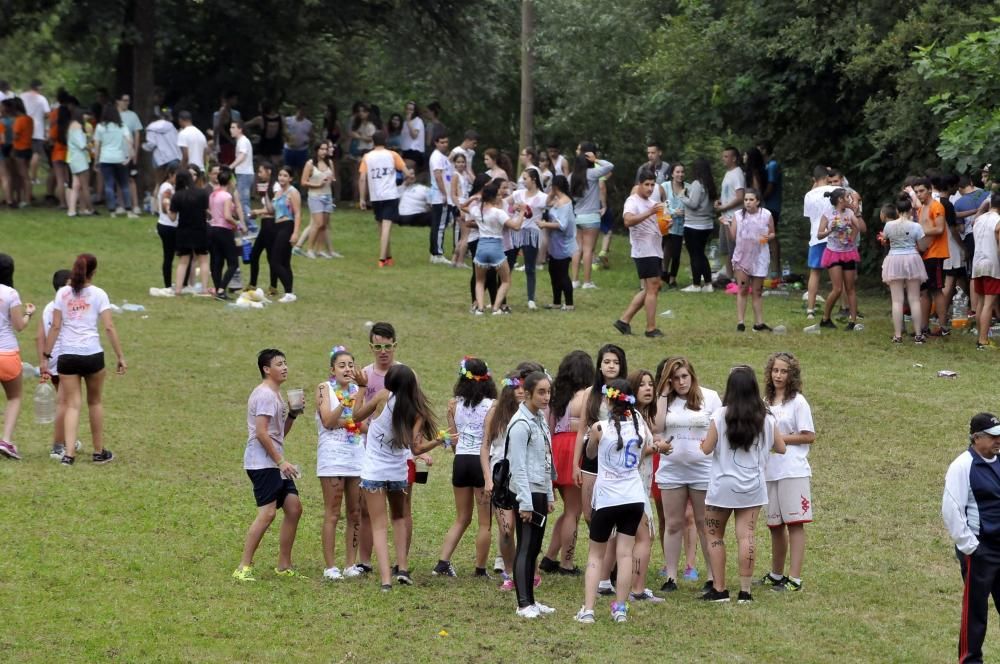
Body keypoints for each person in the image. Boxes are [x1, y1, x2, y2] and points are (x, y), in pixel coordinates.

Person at [573, 378, 669, 624]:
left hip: (607, 497)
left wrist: (592, 441)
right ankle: (621, 608)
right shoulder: (639, 425)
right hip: (633, 496)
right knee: (625, 553)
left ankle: (589, 609)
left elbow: (591, 455)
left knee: (596, 554)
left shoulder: (600, 428)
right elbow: (639, 458)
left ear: (608, 399)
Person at [351, 364, 443, 590]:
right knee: (400, 519)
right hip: (398, 471)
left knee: (379, 526)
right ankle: (402, 568)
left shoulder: (383, 397)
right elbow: (417, 448)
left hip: (374, 472)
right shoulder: (417, 411)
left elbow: (355, 417)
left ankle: (385, 580)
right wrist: (440, 441)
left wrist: (362, 388)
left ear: (389, 383)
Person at [700, 365, 785, 603]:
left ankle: (719, 588)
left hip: (722, 486)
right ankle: (745, 591)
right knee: (746, 536)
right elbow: (781, 447)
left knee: (714, 534)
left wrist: (702, 443)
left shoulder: (720, 415)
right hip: (753, 487)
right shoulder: (767, 418)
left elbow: (706, 449)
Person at [40, 254, 126, 466]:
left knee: (72, 405)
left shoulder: (62, 293)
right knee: (94, 402)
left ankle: (68, 454)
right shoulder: (99, 294)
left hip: (67, 356)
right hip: (92, 354)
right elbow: (108, 326)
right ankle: (99, 452)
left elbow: (55, 326)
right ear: (94, 272)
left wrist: (46, 355)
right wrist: (120, 356)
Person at [232, 348, 304, 582]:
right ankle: (243, 567)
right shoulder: (264, 395)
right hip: (262, 463)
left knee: (294, 508)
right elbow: (262, 434)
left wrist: (292, 415)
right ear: (266, 369)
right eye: (279, 364)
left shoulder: (276, 394)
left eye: (285, 363)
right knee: (267, 513)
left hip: (273, 462)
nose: (284, 367)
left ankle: (283, 565)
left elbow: (277, 434)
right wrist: (281, 461)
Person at [654, 356, 722, 593]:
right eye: (675, 378)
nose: (681, 382)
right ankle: (671, 576)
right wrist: (662, 393)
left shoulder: (710, 397)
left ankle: (713, 576)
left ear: (692, 375)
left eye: (684, 376)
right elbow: (656, 427)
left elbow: (719, 430)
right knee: (673, 523)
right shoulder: (665, 400)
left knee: (705, 524)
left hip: (703, 469)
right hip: (672, 470)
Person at [942, 412, 1000, 664]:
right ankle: (970, 660)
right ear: (976, 438)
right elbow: (951, 510)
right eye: (993, 436)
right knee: (975, 611)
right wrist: (971, 547)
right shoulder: (962, 466)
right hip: (980, 550)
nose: (998, 440)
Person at [434, 357, 497, 578]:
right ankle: (480, 569)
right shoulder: (493, 405)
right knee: (485, 522)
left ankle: (442, 563)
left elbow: (453, 438)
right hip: (482, 462)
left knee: (461, 517)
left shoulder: (453, 404)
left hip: (460, 461)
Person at [759, 352, 816, 592]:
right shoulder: (765, 402)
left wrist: (779, 438)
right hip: (770, 471)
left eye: (783, 371)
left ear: (791, 375)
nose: (778, 376)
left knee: (794, 523)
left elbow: (808, 435)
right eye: (775, 371)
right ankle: (776, 573)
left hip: (792, 470)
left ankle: (795, 578)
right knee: (775, 525)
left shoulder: (798, 402)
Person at [574, 344, 628, 596]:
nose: (611, 366)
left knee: (612, 514)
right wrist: (576, 463)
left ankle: (608, 571)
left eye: (615, 362)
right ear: (599, 365)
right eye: (606, 361)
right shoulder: (590, 393)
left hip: (615, 460)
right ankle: (601, 561)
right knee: (589, 514)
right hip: (591, 459)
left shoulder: (626, 392)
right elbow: (582, 430)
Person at [506, 371, 556, 619]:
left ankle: (532, 602)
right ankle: (523, 602)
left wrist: (548, 495)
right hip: (526, 492)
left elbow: (545, 460)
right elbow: (518, 467)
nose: (547, 397)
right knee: (525, 546)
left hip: (538, 490)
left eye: (548, 392)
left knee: (535, 546)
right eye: (541, 392)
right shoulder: (520, 424)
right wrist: (525, 502)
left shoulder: (539, 420)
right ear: (527, 393)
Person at [540, 350, 594, 575]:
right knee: (574, 511)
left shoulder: (557, 396)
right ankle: (567, 563)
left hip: (557, 447)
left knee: (569, 510)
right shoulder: (586, 395)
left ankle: (550, 557)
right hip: (574, 449)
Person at [315, 346, 364, 581]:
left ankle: (350, 563)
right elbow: (327, 421)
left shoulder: (359, 391)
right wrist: (345, 407)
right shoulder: (325, 388)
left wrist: (349, 417)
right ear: (332, 370)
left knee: (355, 512)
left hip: (356, 458)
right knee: (333, 513)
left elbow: (364, 425)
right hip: (332, 458)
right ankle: (330, 566)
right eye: (342, 365)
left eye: (350, 365)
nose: (347, 369)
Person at [482, 371, 525, 587]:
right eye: (516, 387)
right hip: (500, 476)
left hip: (524, 477)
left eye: (524, 388)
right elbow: (485, 447)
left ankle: (524, 570)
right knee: (507, 529)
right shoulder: (495, 413)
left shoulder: (531, 414)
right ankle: (509, 571)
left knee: (526, 528)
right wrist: (488, 479)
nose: (520, 391)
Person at [611, 169, 665, 338]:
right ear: (639, 185)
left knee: (653, 287)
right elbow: (627, 221)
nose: (650, 188)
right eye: (646, 184)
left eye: (652, 184)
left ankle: (624, 321)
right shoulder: (632, 201)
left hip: (655, 249)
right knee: (653, 287)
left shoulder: (652, 202)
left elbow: (657, 226)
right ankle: (650, 328)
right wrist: (650, 212)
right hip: (643, 250)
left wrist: (666, 224)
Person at [471, 180, 525, 315]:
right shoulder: (498, 212)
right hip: (496, 248)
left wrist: (473, 198)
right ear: (493, 197)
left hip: (481, 247)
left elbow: (463, 206)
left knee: (479, 280)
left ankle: (480, 308)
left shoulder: (477, 210)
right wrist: (522, 212)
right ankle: (496, 308)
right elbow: (516, 226)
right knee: (506, 280)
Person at [0, 254, 35, 460]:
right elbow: (19, 327)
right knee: (14, 397)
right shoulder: (11, 293)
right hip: (7, 353)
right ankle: (5, 440)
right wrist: (29, 313)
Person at [37, 269, 74, 458]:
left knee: (65, 402)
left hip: (52, 361)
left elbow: (39, 336)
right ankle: (58, 446)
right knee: (64, 403)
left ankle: (68, 438)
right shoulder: (65, 309)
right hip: (64, 359)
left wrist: (43, 361)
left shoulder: (48, 307)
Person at [879, 197, 927, 343]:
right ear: (910, 209)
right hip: (912, 258)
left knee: (897, 300)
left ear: (897, 211)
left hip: (894, 259)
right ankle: (918, 334)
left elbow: (886, 240)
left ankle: (898, 335)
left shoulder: (888, 226)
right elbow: (923, 247)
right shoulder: (916, 226)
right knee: (914, 299)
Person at [358, 130, 410, 267]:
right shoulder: (393, 155)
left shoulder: (367, 157)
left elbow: (362, 178)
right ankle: (381, 259)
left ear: (373, 141)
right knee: (387, 226)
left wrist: (362, 198)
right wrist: (409, 177)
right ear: (386, 140)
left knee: (381, 226)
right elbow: (406, 172)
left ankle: (388, 257)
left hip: (375, 196)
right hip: (390, 194)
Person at [817, 188, 865, 330]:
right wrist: (830, 230)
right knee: (837, 289)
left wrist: (852, 235)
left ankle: (852, 321)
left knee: (850, 288)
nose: (849, 199)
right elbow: (819, 235)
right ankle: (825, 318)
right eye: (847, 197)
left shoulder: (850, 213)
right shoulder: (827, 214)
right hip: (833, 252)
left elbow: (860, 228)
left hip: (848, 252)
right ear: (840, 199)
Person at [728, 188, 776, 332]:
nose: (748, 203)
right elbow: (733, 236)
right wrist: (726, 225)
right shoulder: (738, 215)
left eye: (751, 200)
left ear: (758, 201)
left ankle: (759, 323)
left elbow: (772, 232)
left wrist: (768, 237)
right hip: (742, 256)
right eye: (746, 200)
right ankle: (740, 322)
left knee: (757, 290)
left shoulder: (766, 214)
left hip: (760, 255)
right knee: (742, 288)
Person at [569, 144, 613, 289]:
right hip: (591, 217)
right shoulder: (592, 173)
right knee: (588, 250)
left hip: (577, 216)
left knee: (577, 249)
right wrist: (596, 159)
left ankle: (574, 280)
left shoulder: (572, 177)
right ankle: (587, 282)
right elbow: (609, 166)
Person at [911, 177, 949, 335]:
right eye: (916, 192)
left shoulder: (937, 206)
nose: (919, 194)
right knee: (924, 291)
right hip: (924, 253)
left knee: (936, 290)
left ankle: (943, 327)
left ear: (929, 190)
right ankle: (923, 327)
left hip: (936, 253)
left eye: (921, 191)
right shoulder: (920, 209)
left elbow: (940, 229)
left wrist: (918, 232)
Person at [536, 175, 576, 310]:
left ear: (555, 186)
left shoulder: (565, 202)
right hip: (555, 243)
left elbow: (562, 225)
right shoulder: (557, 200)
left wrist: (545, 224)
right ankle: (556, 301)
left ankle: (569, 303)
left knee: (562, 273)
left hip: (563, 243)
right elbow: (546, 204)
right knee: (553, 271)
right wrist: (552, 193)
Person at [508, 168, 547, 308]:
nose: (523, 181)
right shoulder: (517, 194)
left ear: (534, 179)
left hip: (532, 234)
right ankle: (501, 296)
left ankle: (531, 299)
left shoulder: (543, 197)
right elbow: (504, 203)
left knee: (530, 267)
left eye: (525, 178)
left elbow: (553, 206)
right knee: (508, 265)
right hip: (516, 231)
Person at [208, 168, 248, 300]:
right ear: (230, 181)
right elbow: (227, 216)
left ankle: (217, 289)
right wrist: (238, 224)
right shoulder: (227, 196)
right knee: (233, 263)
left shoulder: (213, 195)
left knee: (217, 261)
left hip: (213, 229)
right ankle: (221, 289)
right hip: (224, 230)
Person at [170, 170, 211, 296]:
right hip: (200, 229)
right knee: (203, 260)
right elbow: (207, 210)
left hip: (183, 231)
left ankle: (178, 289)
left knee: (183, 261)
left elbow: (172, 217)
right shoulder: (202, 193)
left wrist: (167, 209)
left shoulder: (177, 196)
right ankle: (204, 289)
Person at [679, 158, 718, 292]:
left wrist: (682, 196)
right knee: (701, 254)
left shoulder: (696, 184)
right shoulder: (709, 184)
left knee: (695, 255)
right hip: (707, 225)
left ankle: (696, 285)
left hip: (693, 225)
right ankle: (708, 284)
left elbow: (693, 204)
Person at [803, 166, 836, 319]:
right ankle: (842, 308)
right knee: (837, 274)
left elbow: (809, 215)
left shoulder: (809, 195)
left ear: (814, 180)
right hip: (834, 235)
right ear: (828, 177)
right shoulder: (836, 190)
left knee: (815, 273)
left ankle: (810, 309)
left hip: (816, 236)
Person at [298, 141, 339, 259]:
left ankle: (320, 250)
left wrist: (331, 179)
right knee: (318, 223)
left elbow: (333, 178)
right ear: (316, 150)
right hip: (315, 196)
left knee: (324, 225)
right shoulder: (310, 164)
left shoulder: (329, 162)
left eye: (326, 149)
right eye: (321, 149)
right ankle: (309, 249)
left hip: (327, 195)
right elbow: (303, 182)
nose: (324, 151)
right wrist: (318, 185)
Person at [94, 104, 135, 217]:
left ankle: (112, 211)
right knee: (124, 185)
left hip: (105, 158)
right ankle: (129, 210)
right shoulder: (122, 126)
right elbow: (129, 141)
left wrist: (96, 161)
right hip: (119, 158)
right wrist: (129, 157)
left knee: (108, 185)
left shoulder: (100, 127)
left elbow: (97, 145)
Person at [971, 191, 1000, 350]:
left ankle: (980, 337)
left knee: (981, 302)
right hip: (992, 264)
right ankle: (983, 340)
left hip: (977, 263)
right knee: (989, 304)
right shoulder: (999, 221)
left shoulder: (978, 219)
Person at [270, 166, 302, 302]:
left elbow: (298, 213)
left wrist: (295, 233)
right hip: (277, 226)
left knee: (275, 261)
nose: (282, 178)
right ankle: (289, 292)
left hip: (287, 226)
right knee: (284, 262)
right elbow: (272, 210)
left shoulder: (292, 192)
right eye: (280, 175)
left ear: (290, 178)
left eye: (285, 175)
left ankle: (289, 291)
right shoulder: (278, 193)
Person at [714, 146, 745, 281]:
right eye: (723, 156)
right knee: (726, 248)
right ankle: (729, 275)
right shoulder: (728, 173)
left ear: (734, 158)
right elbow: (728, 194)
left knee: (734, 248)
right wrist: (719, 202)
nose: (723, 159)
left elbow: (740, 197)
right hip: (725, 215)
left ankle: (737, 277)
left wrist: (724, 207)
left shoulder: (738, 174)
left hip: (734, 217)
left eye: (726, 156)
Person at [152, 165, 179, 294]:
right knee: (169, 256)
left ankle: (172, 283)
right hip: (168, 225)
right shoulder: (167, 188)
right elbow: (164, 205)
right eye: (176, 176)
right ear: (170, 175)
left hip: (165, 224)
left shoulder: (167, 187)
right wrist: (171, 212)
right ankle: (168, 285)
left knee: (170, 255)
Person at [428, 131, 454, 264]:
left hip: (443, 196)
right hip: (440, 197)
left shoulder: (442, 157)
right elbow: (438, 176)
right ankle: (437, 254)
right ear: (436, 143)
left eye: (446, 142)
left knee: (439, 225)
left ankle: (434, 252)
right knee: (440, 225)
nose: (445, 145)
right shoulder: (436, 157)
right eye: (442, 142)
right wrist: (444, 194)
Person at [115, 93, 143, 216]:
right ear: (118, 101)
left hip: (129, 152)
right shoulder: (113, 115)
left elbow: (136, 135)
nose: (127, 103)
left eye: (128, 100)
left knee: (131, 179)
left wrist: (135, 152)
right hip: (116, 152)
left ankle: (135, 205)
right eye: (124, 100)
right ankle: (120, 205)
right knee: (118, 179)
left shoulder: (133, 115)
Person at [757, 140, 783, 276]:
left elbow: (771, 186)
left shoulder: (772, 165)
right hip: (766, 206)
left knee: (771, 236)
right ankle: (766, 266)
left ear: (764, 150)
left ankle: (775, 269)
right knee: (763, 235)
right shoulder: (766, 166)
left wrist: (760, 198)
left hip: (771, 206)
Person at [661, 163, 686, 289]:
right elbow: (662, 204)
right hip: (665, 224)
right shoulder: (665, 186)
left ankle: (672, 279)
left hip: (680, 226)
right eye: (677, 172)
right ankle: (663, 273)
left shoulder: (688, 187)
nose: (680, 174)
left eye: (682, 172)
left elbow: (692, 204)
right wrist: (673, 211)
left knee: (676, 253)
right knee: (664, 250)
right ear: (672, 173)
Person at [20, 80, 49, 186]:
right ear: (39, 87)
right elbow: (47, 114)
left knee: (24, 155)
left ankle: (24, 177)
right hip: (37, 130)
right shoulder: (42, 99)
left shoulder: (22, 96)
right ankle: (33, 178)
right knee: (36, 154)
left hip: (23, 129)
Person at [66, 108, 94, 217]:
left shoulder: (71, 125)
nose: (87, 118)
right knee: (85, 186)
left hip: (73, 158)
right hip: (80, 159)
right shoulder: (77, 127)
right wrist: (91, 147)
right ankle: (90, 208)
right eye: (85, 115)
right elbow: (82, 145)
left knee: (76, 185)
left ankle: (72, 210)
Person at [228, 121, 255, 229]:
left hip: (245, 174)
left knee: (243, 202)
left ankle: (252, 225)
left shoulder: (243, 141)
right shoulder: (241, 141)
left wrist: (231, 166)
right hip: (243, 173)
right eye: (231, 127)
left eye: (233, 127)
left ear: (240, 129)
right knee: (242, 200)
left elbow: (242, 156)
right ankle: (249, 224)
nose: (231, 129)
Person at [143, 108, 181, 178]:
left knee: (160, 183)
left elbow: (152, 144)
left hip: (160, 160)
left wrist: (143, 146)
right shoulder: (171, 126)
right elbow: (178, 141)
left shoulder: (151, 128)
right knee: (174, 181)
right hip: (174, 158)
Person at [246, 100, 284, 165]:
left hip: (264, 146)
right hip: (276, 145)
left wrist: (248, 135)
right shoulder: (281, 119)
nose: (258, 109)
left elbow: (244, 125)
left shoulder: (260, 119)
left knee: (262, 167)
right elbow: (285, 132)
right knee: (275, 166)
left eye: (260, 107)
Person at [399, 101, 425, 167]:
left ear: (415, 111)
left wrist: (409, 122)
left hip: (414, 150)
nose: (408, 111)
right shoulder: (405, 122)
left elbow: (414, 135)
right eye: (407, 109)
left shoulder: (418, 121)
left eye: (411, 109)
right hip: (405, 150)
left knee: (407, 170)